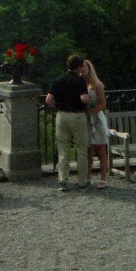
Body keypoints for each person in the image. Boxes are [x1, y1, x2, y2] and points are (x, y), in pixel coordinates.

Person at [45, 54, 91, 192]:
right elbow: (83, 99)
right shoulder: (79, 81)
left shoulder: (58, 80)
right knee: (81, 149)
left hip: (61, 115)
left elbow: (48, 100)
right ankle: (83, 181)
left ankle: (63, 181)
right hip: (77, 115)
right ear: (78, 67)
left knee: (63, 150)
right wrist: (89, 100)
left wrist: (57, 107)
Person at [81, 58, 109, 189]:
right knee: (88, 150)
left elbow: (103, 104)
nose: (83, 69)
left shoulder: (97, 84)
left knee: (100, 148)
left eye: (85, 67)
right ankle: (88, 176)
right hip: (85, 119)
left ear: (89, 69)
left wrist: (92, 111)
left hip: (95, 119)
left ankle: (103, 177)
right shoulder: (79, 83)